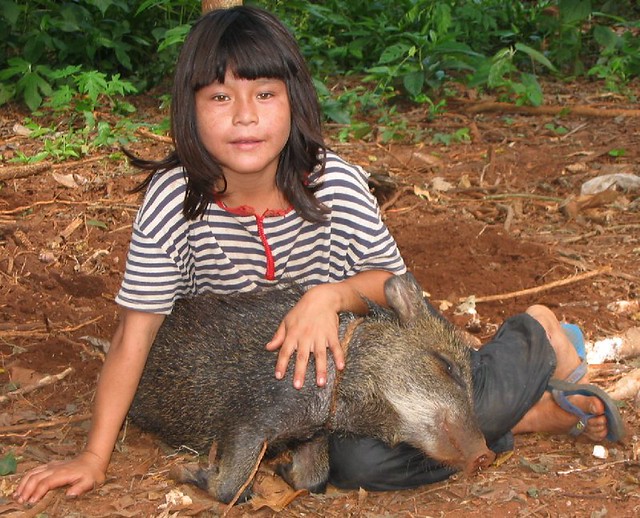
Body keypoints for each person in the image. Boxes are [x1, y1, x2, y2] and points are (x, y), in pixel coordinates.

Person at [14, 5, 623, 505]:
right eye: (220, 98)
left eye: (264, 93)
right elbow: (133, 336)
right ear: (189, 109)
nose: (245, 116)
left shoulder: (334, 183)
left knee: (457, 392)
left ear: (295, 101)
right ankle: (527, 415)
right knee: (359, 463)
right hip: (309, 386)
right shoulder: (174, 199)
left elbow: (394, 290)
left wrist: (328, 297)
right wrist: (94, 455)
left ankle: (538, 336)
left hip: (383, 341)